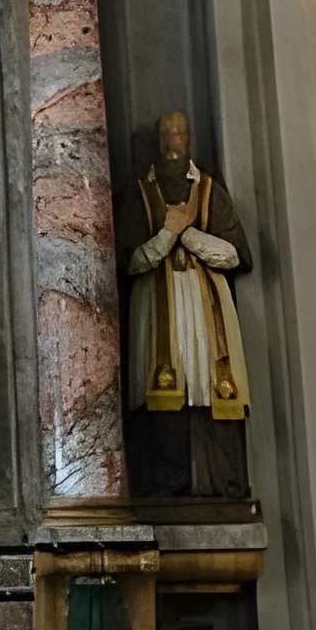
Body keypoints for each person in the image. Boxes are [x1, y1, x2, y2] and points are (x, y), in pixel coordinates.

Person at [124, 109, 251, 498]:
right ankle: (166, 484)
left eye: (177, 134)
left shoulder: (211, 191)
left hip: (206, 306)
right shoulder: (139, 194)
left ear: (189, 138)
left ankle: (223, 483)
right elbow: (128, 260)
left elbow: (234, 254)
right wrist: (168, 233)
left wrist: (189, 235)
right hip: (156, 307)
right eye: (164, 135)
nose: (171, 143)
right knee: (162, 390)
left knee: (209, 386)